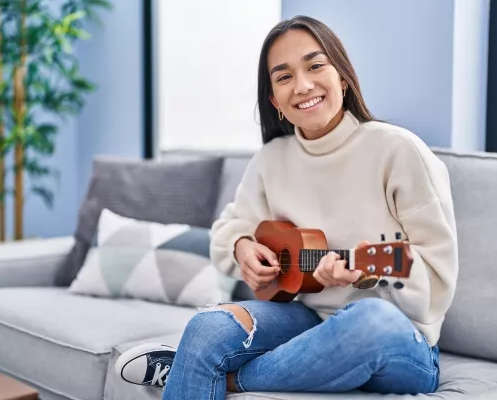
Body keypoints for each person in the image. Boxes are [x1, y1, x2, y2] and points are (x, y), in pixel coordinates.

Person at [115, 15, 458, 399]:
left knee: (368, 319)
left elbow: (437, 271)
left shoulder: (398, 151)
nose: (303, 85)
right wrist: (243, 247)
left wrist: (370, 274)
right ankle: (196, 363)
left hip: (400, 340)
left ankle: (214, 375)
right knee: (206, 328)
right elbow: (230, 227)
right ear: (274, 101)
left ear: (342, 77)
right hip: (308, 319)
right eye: (284, 77)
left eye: (315, 66)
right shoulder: (272, 160)